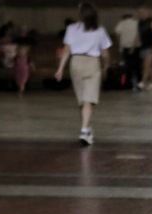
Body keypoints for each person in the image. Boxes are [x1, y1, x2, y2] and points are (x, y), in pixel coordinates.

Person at [55, 2, 112, 146]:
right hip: (92, 63)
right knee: (88, 100)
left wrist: (60, 68)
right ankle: (85, 130)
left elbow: (66, 50)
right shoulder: (100, 30)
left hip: (76, 63)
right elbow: (105, 53)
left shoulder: (71, 28)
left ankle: (86, 129)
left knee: (83, 100)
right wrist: (106, 65)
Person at [114, 13, 141, 90]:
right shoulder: (136, 23)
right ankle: (139, 83)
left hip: (125, 47)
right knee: (136, 66)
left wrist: (120, 43)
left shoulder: (121, 23)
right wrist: (133, 46)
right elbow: (138, 35)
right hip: (136, 47)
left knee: (127, 66)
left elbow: (117, 33)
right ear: (132, 17)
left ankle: (127, 85)